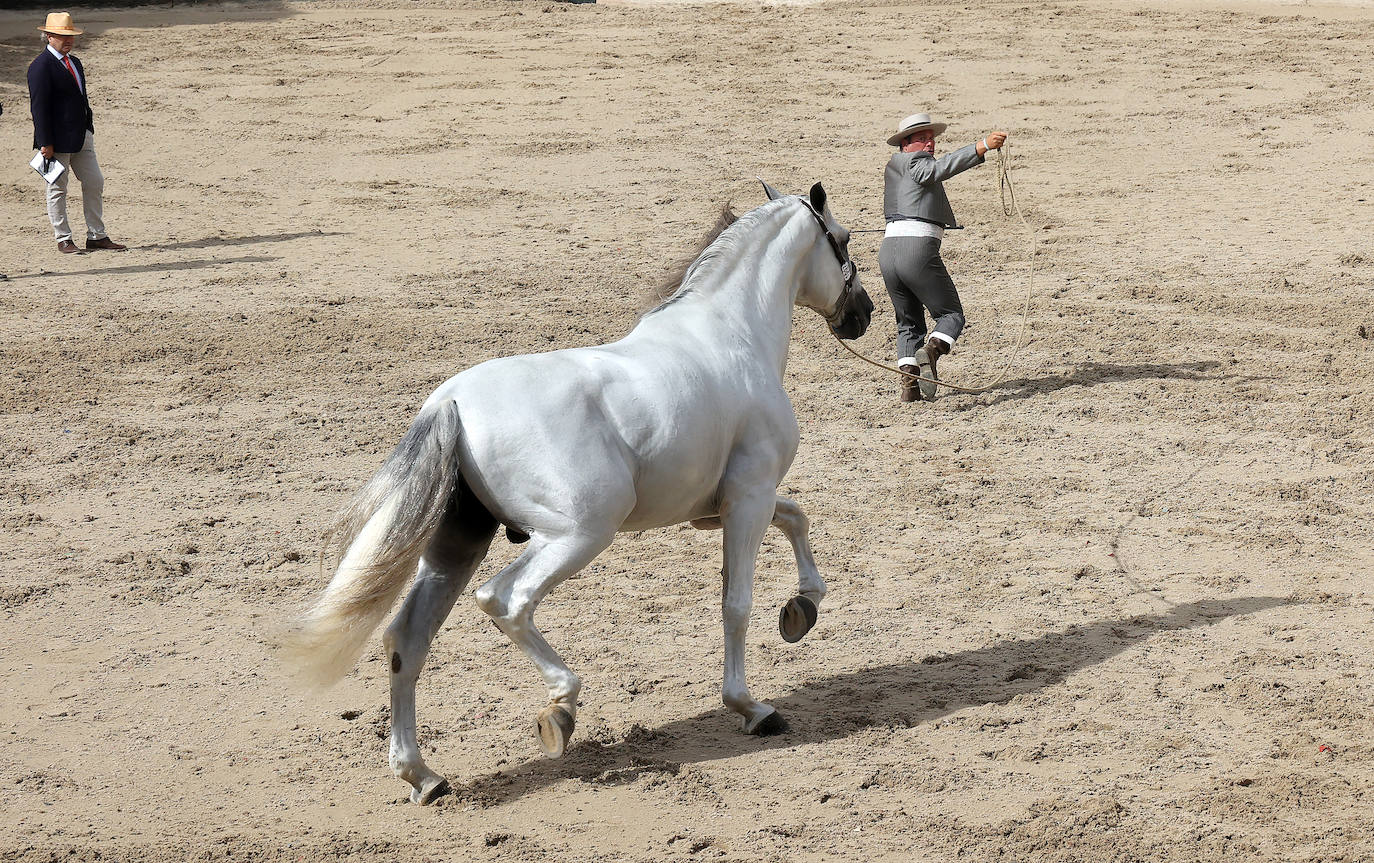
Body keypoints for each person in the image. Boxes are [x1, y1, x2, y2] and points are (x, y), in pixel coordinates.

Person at [879, 112, 1005, 402]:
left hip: (888, 252)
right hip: (917, 251)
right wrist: (982, 146)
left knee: (908, 324)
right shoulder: (916, 162)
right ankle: (932, 351)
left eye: (931, 138)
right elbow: (936, 170)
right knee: (951, 315)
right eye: (922, 139)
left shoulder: (893, 167)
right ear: (905, 145)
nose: (930, 143)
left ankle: (910, 389)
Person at [28, 12, 126, 255]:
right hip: (56, 141)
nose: (68, 40)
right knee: (57, 189)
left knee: (94, 182)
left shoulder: (75, 62)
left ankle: (96, 235)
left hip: (82, 135)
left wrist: (88, 126)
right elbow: (39, 108)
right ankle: (63, 239)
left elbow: (81, 98)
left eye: (70, 36)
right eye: (62, 36)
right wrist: (45, 142)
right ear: (49, 36)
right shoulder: (40, 67)